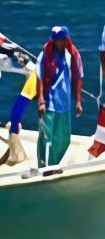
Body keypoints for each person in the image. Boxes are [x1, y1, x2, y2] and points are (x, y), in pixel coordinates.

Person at [37, 25, 83, 166]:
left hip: (65, 105)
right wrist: (41, 101)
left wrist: (78, 101)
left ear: (66, 39)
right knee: (46, 138)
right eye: (55, 40)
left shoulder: (73, 55)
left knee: (63, 139)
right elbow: (39, 77)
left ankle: (55, 165)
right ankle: (44, 166)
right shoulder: (44, 55)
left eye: (60, 40)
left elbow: (78, 77)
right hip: (49, 104)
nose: (58, 42)